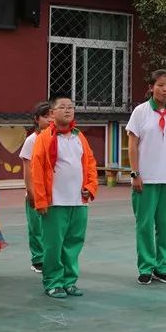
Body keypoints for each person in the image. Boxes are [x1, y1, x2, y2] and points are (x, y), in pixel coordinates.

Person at [126, 69, 166, 285]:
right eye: (160, 85)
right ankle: (145, 266)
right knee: (144, 225)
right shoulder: (140, 112)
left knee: (165, 225)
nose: (164, 90)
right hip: (146, 179)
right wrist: (135, 173)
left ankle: (162, 267)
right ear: (151, 87)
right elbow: (132, 144)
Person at [31, 96, 98, 298]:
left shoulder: (79, 137)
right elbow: (37, 170)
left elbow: (90, 164)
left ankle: (69, 281)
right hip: (55, 203)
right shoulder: (44, 138)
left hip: (78, 202)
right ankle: (53, 281)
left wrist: (90, 187)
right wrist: (41, 200)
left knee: (73, 243)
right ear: (52, 113)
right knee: (53, 245)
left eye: (71, 107)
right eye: (63, 107)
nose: (68, 111)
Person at [19, 101, 54, 273]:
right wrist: (31, 192)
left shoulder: (57, 138)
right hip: (36, 192)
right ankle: (38, 258)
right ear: (36, 119)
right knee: (36, 227)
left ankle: (52, 257)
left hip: (54, 193)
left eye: (52, 116)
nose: (49, 120)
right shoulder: (31, 140)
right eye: (45, 116)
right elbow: (27, 169)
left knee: (52, 227)